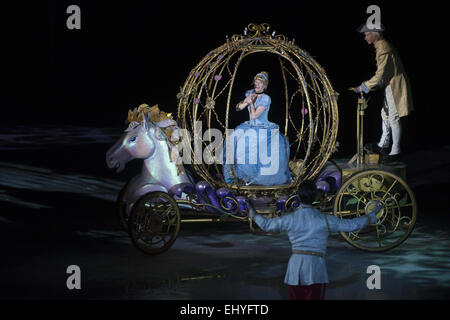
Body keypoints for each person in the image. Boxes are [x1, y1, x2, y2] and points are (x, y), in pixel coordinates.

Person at [246, 180, 383, 300]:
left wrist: (252, 213)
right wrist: (372, 215)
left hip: (296, 269)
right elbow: (353, 225)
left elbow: (266, 225)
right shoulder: (324, 220)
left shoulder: (290, 219)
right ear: (315, 196)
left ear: (299, 197)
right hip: (316, 269)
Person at [351, 24, 413, 163]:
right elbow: (384, 72)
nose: (365, 38)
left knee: (393, 117)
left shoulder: (383, 48)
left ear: (374, 34)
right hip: (389, 83)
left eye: (367, 34)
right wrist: (373, 85)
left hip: (395, 85)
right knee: (384, 114)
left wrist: (363, 87)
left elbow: (380, 74)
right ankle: (383, 145)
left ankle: (395, 151)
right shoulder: (380, 46)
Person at [222, 71, 291, 185]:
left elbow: (254, 116)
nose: (257, 85)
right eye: (255, 82)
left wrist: (250, 104)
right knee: (232, 138)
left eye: (259, 83)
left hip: (262, 127)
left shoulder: (265, 98)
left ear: (264, 85)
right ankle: (234, 175)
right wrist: (246, 101)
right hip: (249, 126)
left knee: (251, 147)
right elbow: (238, 108)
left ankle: (255, 178)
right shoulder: (250, 94)